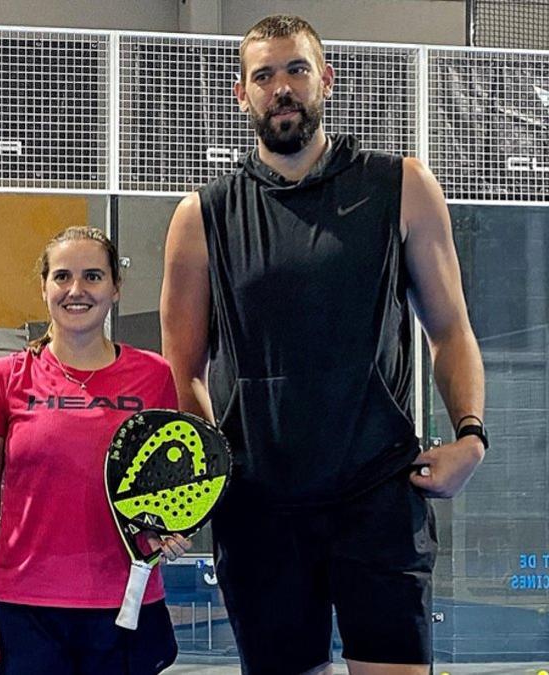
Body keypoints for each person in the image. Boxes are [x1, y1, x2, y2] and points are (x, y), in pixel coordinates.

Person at [161, 15, 486, 675]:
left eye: (296, 70)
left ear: (325, 80)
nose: (282, 88)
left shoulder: (402, 186)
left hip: (379, 495)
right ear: (240, 93)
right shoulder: (202, 216)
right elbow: (182, 369)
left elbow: (449, 328)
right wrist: (204, 480)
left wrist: (472, 436)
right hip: (259, 505)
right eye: (264, 76)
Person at [0, 226, 188, 675]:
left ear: (115, 288)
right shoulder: (4, 377)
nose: (76, 290)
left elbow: (168, 480)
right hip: (24, 610)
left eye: (93, 276)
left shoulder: (155, 376)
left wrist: (174, 529)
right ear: (44, 287)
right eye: (62, 277)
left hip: (127, 605)